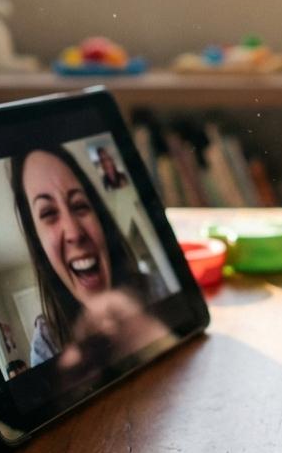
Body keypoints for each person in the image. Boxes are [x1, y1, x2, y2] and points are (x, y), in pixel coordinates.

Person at [10, 145, 168, 368]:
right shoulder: (46, 344)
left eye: (79, 205)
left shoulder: (157, 287)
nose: (74, 233)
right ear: (38, 244)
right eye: (48, 213)